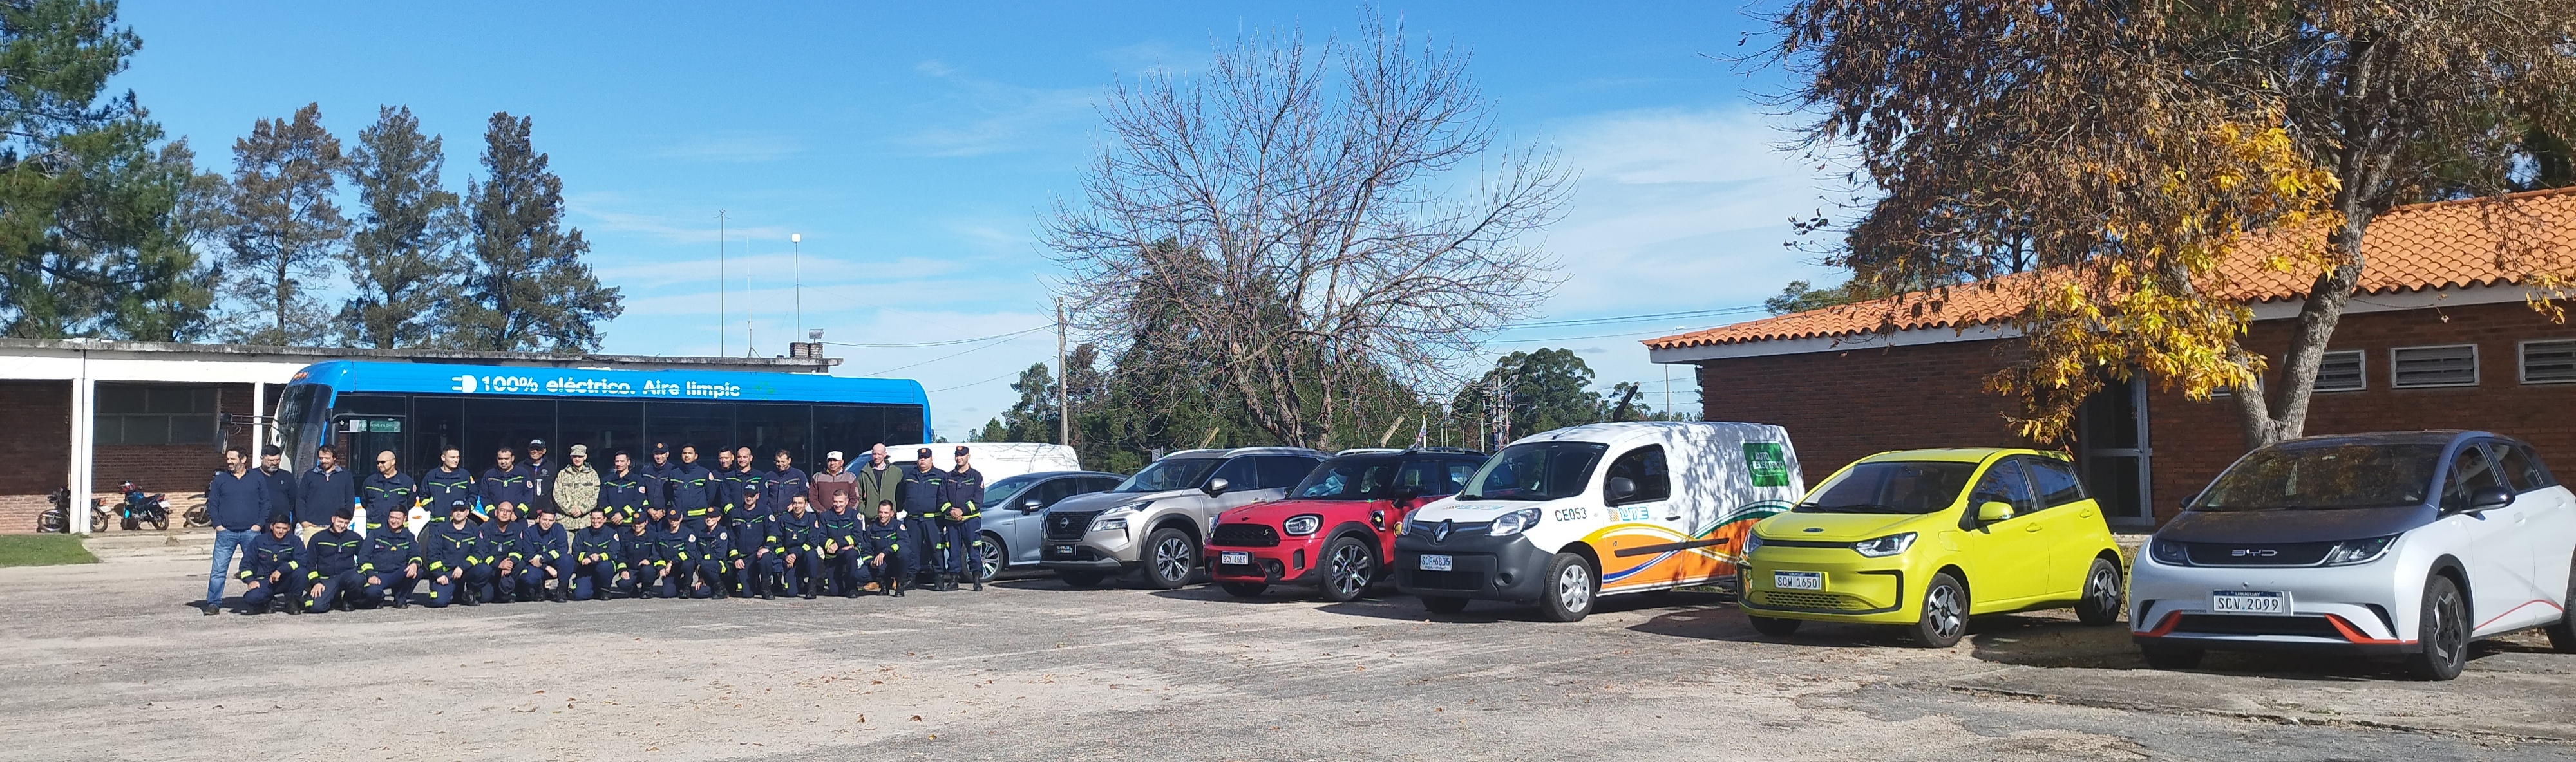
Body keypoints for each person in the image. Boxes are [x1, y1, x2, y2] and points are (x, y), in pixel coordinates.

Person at [203, 447, 272, 615]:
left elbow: (266, 503)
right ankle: (213, 603)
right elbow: (212, 503)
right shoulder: (221, 480)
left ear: (243, 459)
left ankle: (260, 601)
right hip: (226, 533)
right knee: (218, 571)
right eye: (228, 459)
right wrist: (218, 525)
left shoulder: (257, 478)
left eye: (232, 459)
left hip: (251, 533)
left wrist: (259, 524)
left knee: (259, 569)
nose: (229, 462)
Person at [897, 448, 948, 589]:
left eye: (926, 458)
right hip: (913, 520)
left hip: (933, 520)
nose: (923, 460)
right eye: (921, 458)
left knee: (936, 549)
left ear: (932, 459)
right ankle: (911, 578)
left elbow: (945, 496)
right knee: (912, 550)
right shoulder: (909, 475)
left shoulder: (940, 476)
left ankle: (939, 578)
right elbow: (900, 495)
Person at [940, 445, 988, 592]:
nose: (959, 458)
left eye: (962, 455)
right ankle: (954, 581)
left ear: (968, 456)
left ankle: (977, 581)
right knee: (953, 552)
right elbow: (941, 497)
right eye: (957, 455)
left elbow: (978, 499)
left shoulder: (976, 476)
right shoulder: (948, 477)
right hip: (952, 521)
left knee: (973, 551)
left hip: (971, 521)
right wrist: (951, 510)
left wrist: (962, 510)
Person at [236, 515, 306, 615]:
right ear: (272, 527)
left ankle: (293, 602)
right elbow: (246, 564)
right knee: (250, 598)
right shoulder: (259, 541)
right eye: (278, 528)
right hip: (266, 581)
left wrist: (281, 570)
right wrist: (250, 580)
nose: (281, 531)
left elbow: (301, 560)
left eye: (284, 529)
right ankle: (269, 602)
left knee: (302, 572)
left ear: (289, 528)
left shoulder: (295, 541)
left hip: (285, 579)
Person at [420, 500, 484, 608]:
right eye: (456, 510)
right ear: (451, 512)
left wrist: (462, 567)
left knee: (484, 569)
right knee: (438, 602)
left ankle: (470, 592)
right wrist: (439, 574)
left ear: (467, 512)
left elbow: (479, 552)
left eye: (462, 510)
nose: (459, 513)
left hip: (465, 571)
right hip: (447, 573)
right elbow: (432, 553)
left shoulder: (475, 531)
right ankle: (455, 591)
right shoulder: (441, 530)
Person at [357, 504, 421, 608]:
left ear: (405, 518)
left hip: (398, 573)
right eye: (392, 517)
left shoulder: (409, 537)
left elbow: (416, 554)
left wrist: (414, 564)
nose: (394, 521)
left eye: (398, 518)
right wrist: (370, 574)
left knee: (418, 571)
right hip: (378, 574)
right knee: (371, 592)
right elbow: (363, 558)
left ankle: (401, 598)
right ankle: (379, 599)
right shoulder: (375, 534)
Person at [301, 508, 365, 613]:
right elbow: (310, 563)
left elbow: (364, 558)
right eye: (340, 522)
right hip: (326, 580)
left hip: (347, 576)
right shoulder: (318, 538)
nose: (342, 526)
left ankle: (348, 600)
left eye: (346, 523)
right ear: (333, 519)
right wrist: (316, 582)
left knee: (359, 578)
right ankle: (332, 598)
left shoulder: (355, 538)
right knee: (317, 607)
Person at [294, 445, 356, 534]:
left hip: (336, 527)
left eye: (327, 458)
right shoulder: (309, 475)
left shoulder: (346, 476)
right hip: (311, 526)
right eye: (321, 458)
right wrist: (303, 521)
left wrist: (345, 521)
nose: (323, 461)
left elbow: (350, 501)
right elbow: (301, 499)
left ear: (334, 458)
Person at [478, 502, 533, 603]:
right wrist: (499, 565)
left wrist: (510, 563)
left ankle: (509, 590)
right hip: (491, 567)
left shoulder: (517, 529)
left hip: (507, 567)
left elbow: (518, 551)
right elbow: (482, 552)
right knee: (486, 598)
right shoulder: (485, 528)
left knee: (521, 564)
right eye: (502, 510)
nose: (504, 513)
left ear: (512, 514)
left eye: (508, 511)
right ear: (496, 512)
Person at [817, 491, 867, 597]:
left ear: (847, 501)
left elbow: (857, 536)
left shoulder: (854, 515)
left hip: (848, 554)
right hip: (833, 556)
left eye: (841, 502)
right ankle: (843, 581)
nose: (838, 505)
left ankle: (852, 587)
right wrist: (832, 545)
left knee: (852, 553)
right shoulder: (825, 516)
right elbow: (821, 537)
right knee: (835, 592)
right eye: (835, 502)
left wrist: (838, 544)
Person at [730, 485, 776, 599]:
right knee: (747, 594)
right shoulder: (735, 513)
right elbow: (731, 538)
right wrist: (736, 558)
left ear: (758, 496)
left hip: (758, 554)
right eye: (747, 495)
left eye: (752, 495)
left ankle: (766, 588)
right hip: (744, 558)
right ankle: (754, 581)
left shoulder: (765, 511)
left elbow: (772, 532)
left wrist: (767, 547)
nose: (749, 498)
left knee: (766, 558)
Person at [571, 507, 624, 601]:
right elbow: (575, 552)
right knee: (580, 595)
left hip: (603, 567)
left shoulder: (611, 533)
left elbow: (614, 553)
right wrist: (587, 557)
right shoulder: (582, 533)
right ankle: (594, 589)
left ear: (604, 519)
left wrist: (598, 557)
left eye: (599, 518)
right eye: (593, 518)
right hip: (586, 568)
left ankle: (605, 590)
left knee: (606, 566)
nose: (596, 521)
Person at [777, 494, 823, 599]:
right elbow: (778, 542)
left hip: (804, 556)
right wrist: (785, 557)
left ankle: (812, 587)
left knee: (812, 554)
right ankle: (800, 583)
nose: (797, 506)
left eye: (800, 503)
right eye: (795, 503)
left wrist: (796, 554)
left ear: (806, 505)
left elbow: (812, 542)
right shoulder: (784, 519)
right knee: (791, 593)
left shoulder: (811, 519)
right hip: (790, 559)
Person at [361, 449, 417, 535]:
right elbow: (364, 502)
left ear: (393, 462)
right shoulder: (370, 482)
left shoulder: (406, 482)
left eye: (383, 462)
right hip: (374, 531)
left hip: (399, 530)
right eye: (378, 463)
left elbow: (411, 502)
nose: (379, 465)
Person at [683, 508, 735, 599]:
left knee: (704, 564)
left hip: (721, 567)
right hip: (706, 569)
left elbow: (719, 554)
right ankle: (716, 589)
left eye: (712, 517)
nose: (709, 519)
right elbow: (698, 554)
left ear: (718, 518)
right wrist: (701, 577)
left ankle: (722, 589)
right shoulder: (701, 533)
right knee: (699, 593)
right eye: (707, 517)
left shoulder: (722, 532)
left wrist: (703, 562)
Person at [526, 506, 574, 602]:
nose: (547, 523)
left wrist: (544, 559)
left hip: (552, 562)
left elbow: (562, 549)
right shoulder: (529, 532)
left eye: (550, 520)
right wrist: (546, 567)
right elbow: (529, 556)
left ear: (554, 520)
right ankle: (540, 590)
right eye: (544, 519)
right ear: (539, 518)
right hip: (538, 566)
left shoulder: (559, 529)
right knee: (529, 576)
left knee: (568, 560)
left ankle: (562, 590)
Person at [864, 499, 909, 597]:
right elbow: (865, 550)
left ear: (892, 513)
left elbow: (904, 541)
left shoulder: (898, 526)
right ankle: (884, 584)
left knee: (904, 552)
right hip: (880, 563)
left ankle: (900, 584)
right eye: (881, 512)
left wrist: (885, 552)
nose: (882, 515)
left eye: (886, 512)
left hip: (895, 562)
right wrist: (871, 562)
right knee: (859, 574)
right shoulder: (871, 529)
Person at [420, 447, 477, 521]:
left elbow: (473, 495)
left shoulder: (465, 476)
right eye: (452, 457)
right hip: (437, 524)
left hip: (459, 523)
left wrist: (467, 509)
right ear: (443, 458)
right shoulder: (431, 477)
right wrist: (433, 509)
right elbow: (423, 497)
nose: (456, 460)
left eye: (458, 457)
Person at [645, 505, 690, 598]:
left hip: (681, 566)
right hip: (669, 570)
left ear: (681, 518)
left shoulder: (687, 534)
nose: (673, 522)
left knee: (689, 564)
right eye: (671, 519)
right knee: (668, 593)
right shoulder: (661, 535)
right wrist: (661, 567)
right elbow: (656, 554)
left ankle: (686, 586)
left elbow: (689, 552)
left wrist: (672, 561)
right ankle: (677, 585)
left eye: (676, 519)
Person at [600, 451, 652, 527]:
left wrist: (622, 514)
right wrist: (612, 515)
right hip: (610, 522)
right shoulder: (606, 480)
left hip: (629, 524)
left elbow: (639, 500)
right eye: (617, 461)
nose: (619, 464)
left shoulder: (637, 480)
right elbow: (602, 500)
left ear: (628, 462)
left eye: (622, 461)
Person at [855, 443, 903, 527]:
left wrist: (895, 509)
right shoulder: (865, 473)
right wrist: (865, 510)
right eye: (874, 454)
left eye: (879, 454)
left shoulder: (896, 472)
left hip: (890, 519)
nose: (876, 457)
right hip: (871, 520)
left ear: (885, 454)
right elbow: (857, 494)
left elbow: (901, 494)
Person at [478, 447, 536, 516]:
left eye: (506, 459)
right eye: (500, 459)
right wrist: (493, 512)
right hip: (495, 519)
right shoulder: (489, 475)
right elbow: (484, 496)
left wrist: (518, 513)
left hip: (518, 519)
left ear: (512, 458)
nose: (503, 462)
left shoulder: (522, 474)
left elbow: (528, 495)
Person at [553, 444, 603, 521]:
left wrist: (582, 509)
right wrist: (570, 509)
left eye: (580, 456)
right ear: (571, 457)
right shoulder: (563, 474)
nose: (577, 459)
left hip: (586, 521)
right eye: (575, 456)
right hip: (566, 520)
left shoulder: (593, 474)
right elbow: (557, 495)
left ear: (585, 457)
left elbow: (596, 495)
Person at [667, 445, 717, 520]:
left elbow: (711, 495)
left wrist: (702, 505)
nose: (687, 456)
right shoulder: (674, 474)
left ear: (696, 456)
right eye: (684, 453)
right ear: (681, 456)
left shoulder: (704, 473)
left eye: (690, 453)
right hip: (678, 518)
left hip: (698, 518)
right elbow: (669, 494)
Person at [256, 445, 298, 525]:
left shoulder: (287, 476)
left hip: (282, 525)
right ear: (262, 459)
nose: (275, 463)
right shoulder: (253, 476)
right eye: (271, 460)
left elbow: (294, 501)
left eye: (278, 460)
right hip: (259, 524)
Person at [809, 450, 857, 517]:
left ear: (841, 462)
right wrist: (824, 513)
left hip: (845, 518)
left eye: (835, 460)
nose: (832, 463)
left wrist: (844, 513)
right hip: (823, 517)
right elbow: (812, 499)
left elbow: (855, 498)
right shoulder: (817, 477)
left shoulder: (850, 478)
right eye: (830, 461)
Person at [765, 449, 809, 520]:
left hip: (791, 516)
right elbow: (764, 496)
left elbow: (805, 494)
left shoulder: (799, 475)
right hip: (773, 516)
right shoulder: (769, 476)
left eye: (783, 462)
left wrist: (794, 505)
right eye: (778, 462)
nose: (780, 464)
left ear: (789, 461)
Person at [523, 438, 556, 516]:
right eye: (532, 449)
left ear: (544, 451)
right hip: (525, 515)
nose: (535, 452)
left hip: (545, 516)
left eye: (538, 449)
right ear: (528, 450)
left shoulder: (551, 467)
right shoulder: (521, 467)